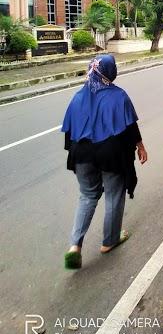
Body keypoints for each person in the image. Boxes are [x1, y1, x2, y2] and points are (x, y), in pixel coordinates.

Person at [62, 54, 147, 269]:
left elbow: (69, 132)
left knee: (87, 195)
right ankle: (109, 241)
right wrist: (140, 146)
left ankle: (74, 246)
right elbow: (129, 126)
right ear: (109, 72)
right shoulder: (119, 96)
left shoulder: (78, 97)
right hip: (110, 153)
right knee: (113, 194)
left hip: (81, 152)